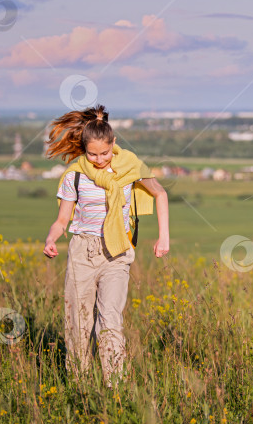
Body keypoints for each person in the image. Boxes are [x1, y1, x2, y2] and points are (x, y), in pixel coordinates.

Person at [42, 105, 170, 387]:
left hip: (117, 252)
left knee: (110, 320)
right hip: (82, 252)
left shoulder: (130, 166)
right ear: (83, 149)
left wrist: (164, 236)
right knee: (77, 323)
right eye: (92, 154)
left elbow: (160, 193)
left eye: (105, 152)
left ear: (114, 144)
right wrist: (52, 239)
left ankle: (116, 388)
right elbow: (62, 220)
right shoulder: (74, 175)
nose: (99, 159)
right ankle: (80, 387)